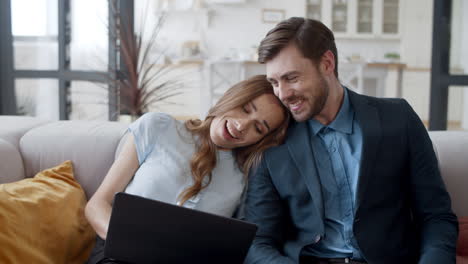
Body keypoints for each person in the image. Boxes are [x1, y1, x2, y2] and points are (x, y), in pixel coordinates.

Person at [243, 17, 458, 264]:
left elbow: (436, 216)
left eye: (291, 78)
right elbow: (258, 240)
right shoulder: (273, 142)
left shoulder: (398, 119)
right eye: (274, 82)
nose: (283, 94)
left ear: (327, 63)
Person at [84, 74, 290, 264]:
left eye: (258, 128)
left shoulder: (244, 176)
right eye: (245, 108)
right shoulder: (158, 127)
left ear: (260, 139)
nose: (242, 125)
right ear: (233, 97)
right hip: (120, 257)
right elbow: (97, 205)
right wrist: (131, 243)